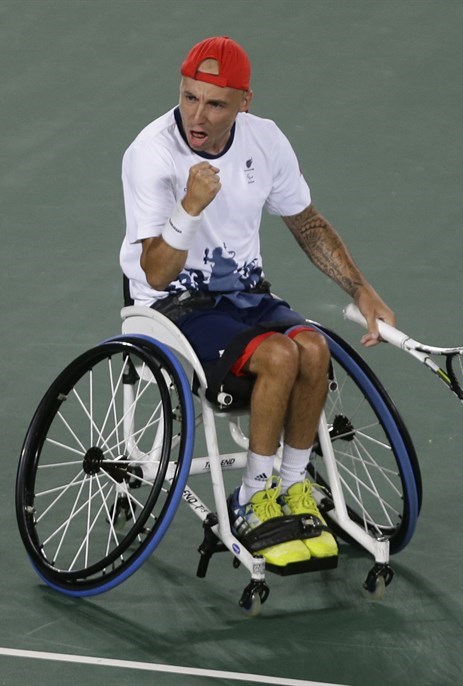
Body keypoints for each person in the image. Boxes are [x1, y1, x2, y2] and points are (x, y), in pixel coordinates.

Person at [119, 36, 394, 569]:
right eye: (189, 97)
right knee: (278, 355)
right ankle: (252, 499)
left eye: (215, 103)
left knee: (313, 347)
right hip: (171, 306)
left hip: (245, 297)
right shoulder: (150, 153)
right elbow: (154, 270)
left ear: (244, 103)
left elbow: (307, 223)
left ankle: (292, 491)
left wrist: (358, 287)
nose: (197, 115)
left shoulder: (265, 141)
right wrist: (189, 208)